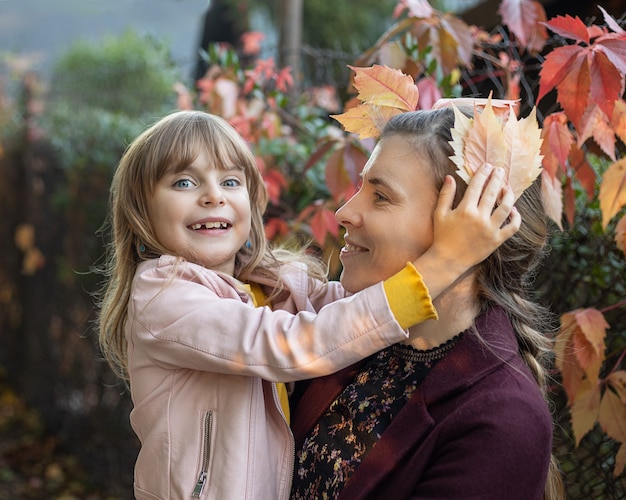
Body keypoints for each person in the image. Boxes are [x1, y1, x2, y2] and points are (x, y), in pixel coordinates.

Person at [96, 110, 519, 500]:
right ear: (140, 213)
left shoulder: (267, 283)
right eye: (184, 183)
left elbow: (346, 313)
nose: (212, 197)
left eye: (230, 182)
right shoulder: (165, 296)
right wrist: (444, 263)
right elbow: (297, 343)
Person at [290, 107, 564, 500]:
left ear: (471, 224)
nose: (345, 212)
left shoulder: (502, 418)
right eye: (360, 188)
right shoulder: (354, 334)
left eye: (381, 196)